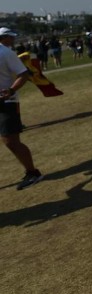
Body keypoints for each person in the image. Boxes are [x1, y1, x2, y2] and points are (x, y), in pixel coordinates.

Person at [0, 27, 44, 189]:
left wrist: (11, 90)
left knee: (11, 141)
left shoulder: (5, 53)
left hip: (7, 102)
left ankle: (33, 173)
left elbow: (23, 74)